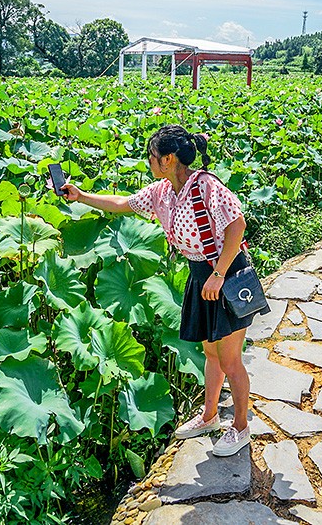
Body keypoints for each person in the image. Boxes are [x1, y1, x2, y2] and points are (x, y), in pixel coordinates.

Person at [59, 125, 256, 457]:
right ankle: (209, 416)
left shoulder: (206, 186)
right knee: (210, 353)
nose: (148, 162)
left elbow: (237, 225)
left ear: (168, 159)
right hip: (200, 275)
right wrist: (82, 196)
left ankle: (240, 427)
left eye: (151, 157)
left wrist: (219, 274)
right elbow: (123, 202)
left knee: (230, 359)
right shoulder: (163, 192)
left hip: (228, 273)